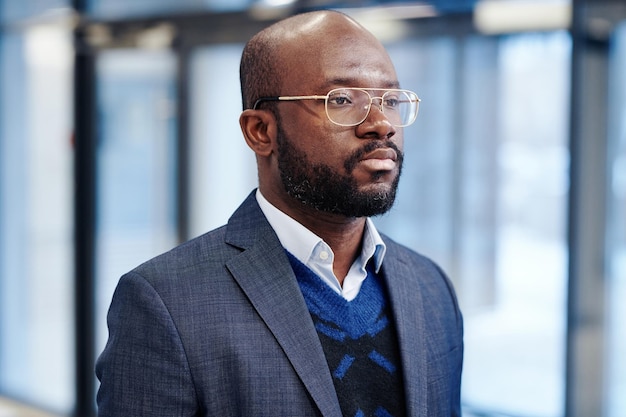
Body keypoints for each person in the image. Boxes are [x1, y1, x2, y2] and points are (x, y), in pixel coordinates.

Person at [96, 9, 463, 417]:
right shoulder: (166, 304)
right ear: (261, 131)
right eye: (342, 100)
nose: (381, 124)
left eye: (391, 100)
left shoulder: (431, 287)